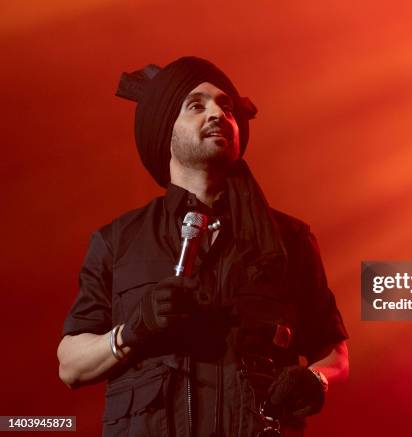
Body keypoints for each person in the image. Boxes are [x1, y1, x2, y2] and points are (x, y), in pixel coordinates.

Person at [57, 56, 349, 437]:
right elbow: (70, 365)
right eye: (196, 105)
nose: (217, 113)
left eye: (226, 106)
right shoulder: (118, 241)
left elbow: (335, 354)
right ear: (166, 131)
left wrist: (315, 380)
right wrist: (132, 330)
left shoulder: (288, 239)